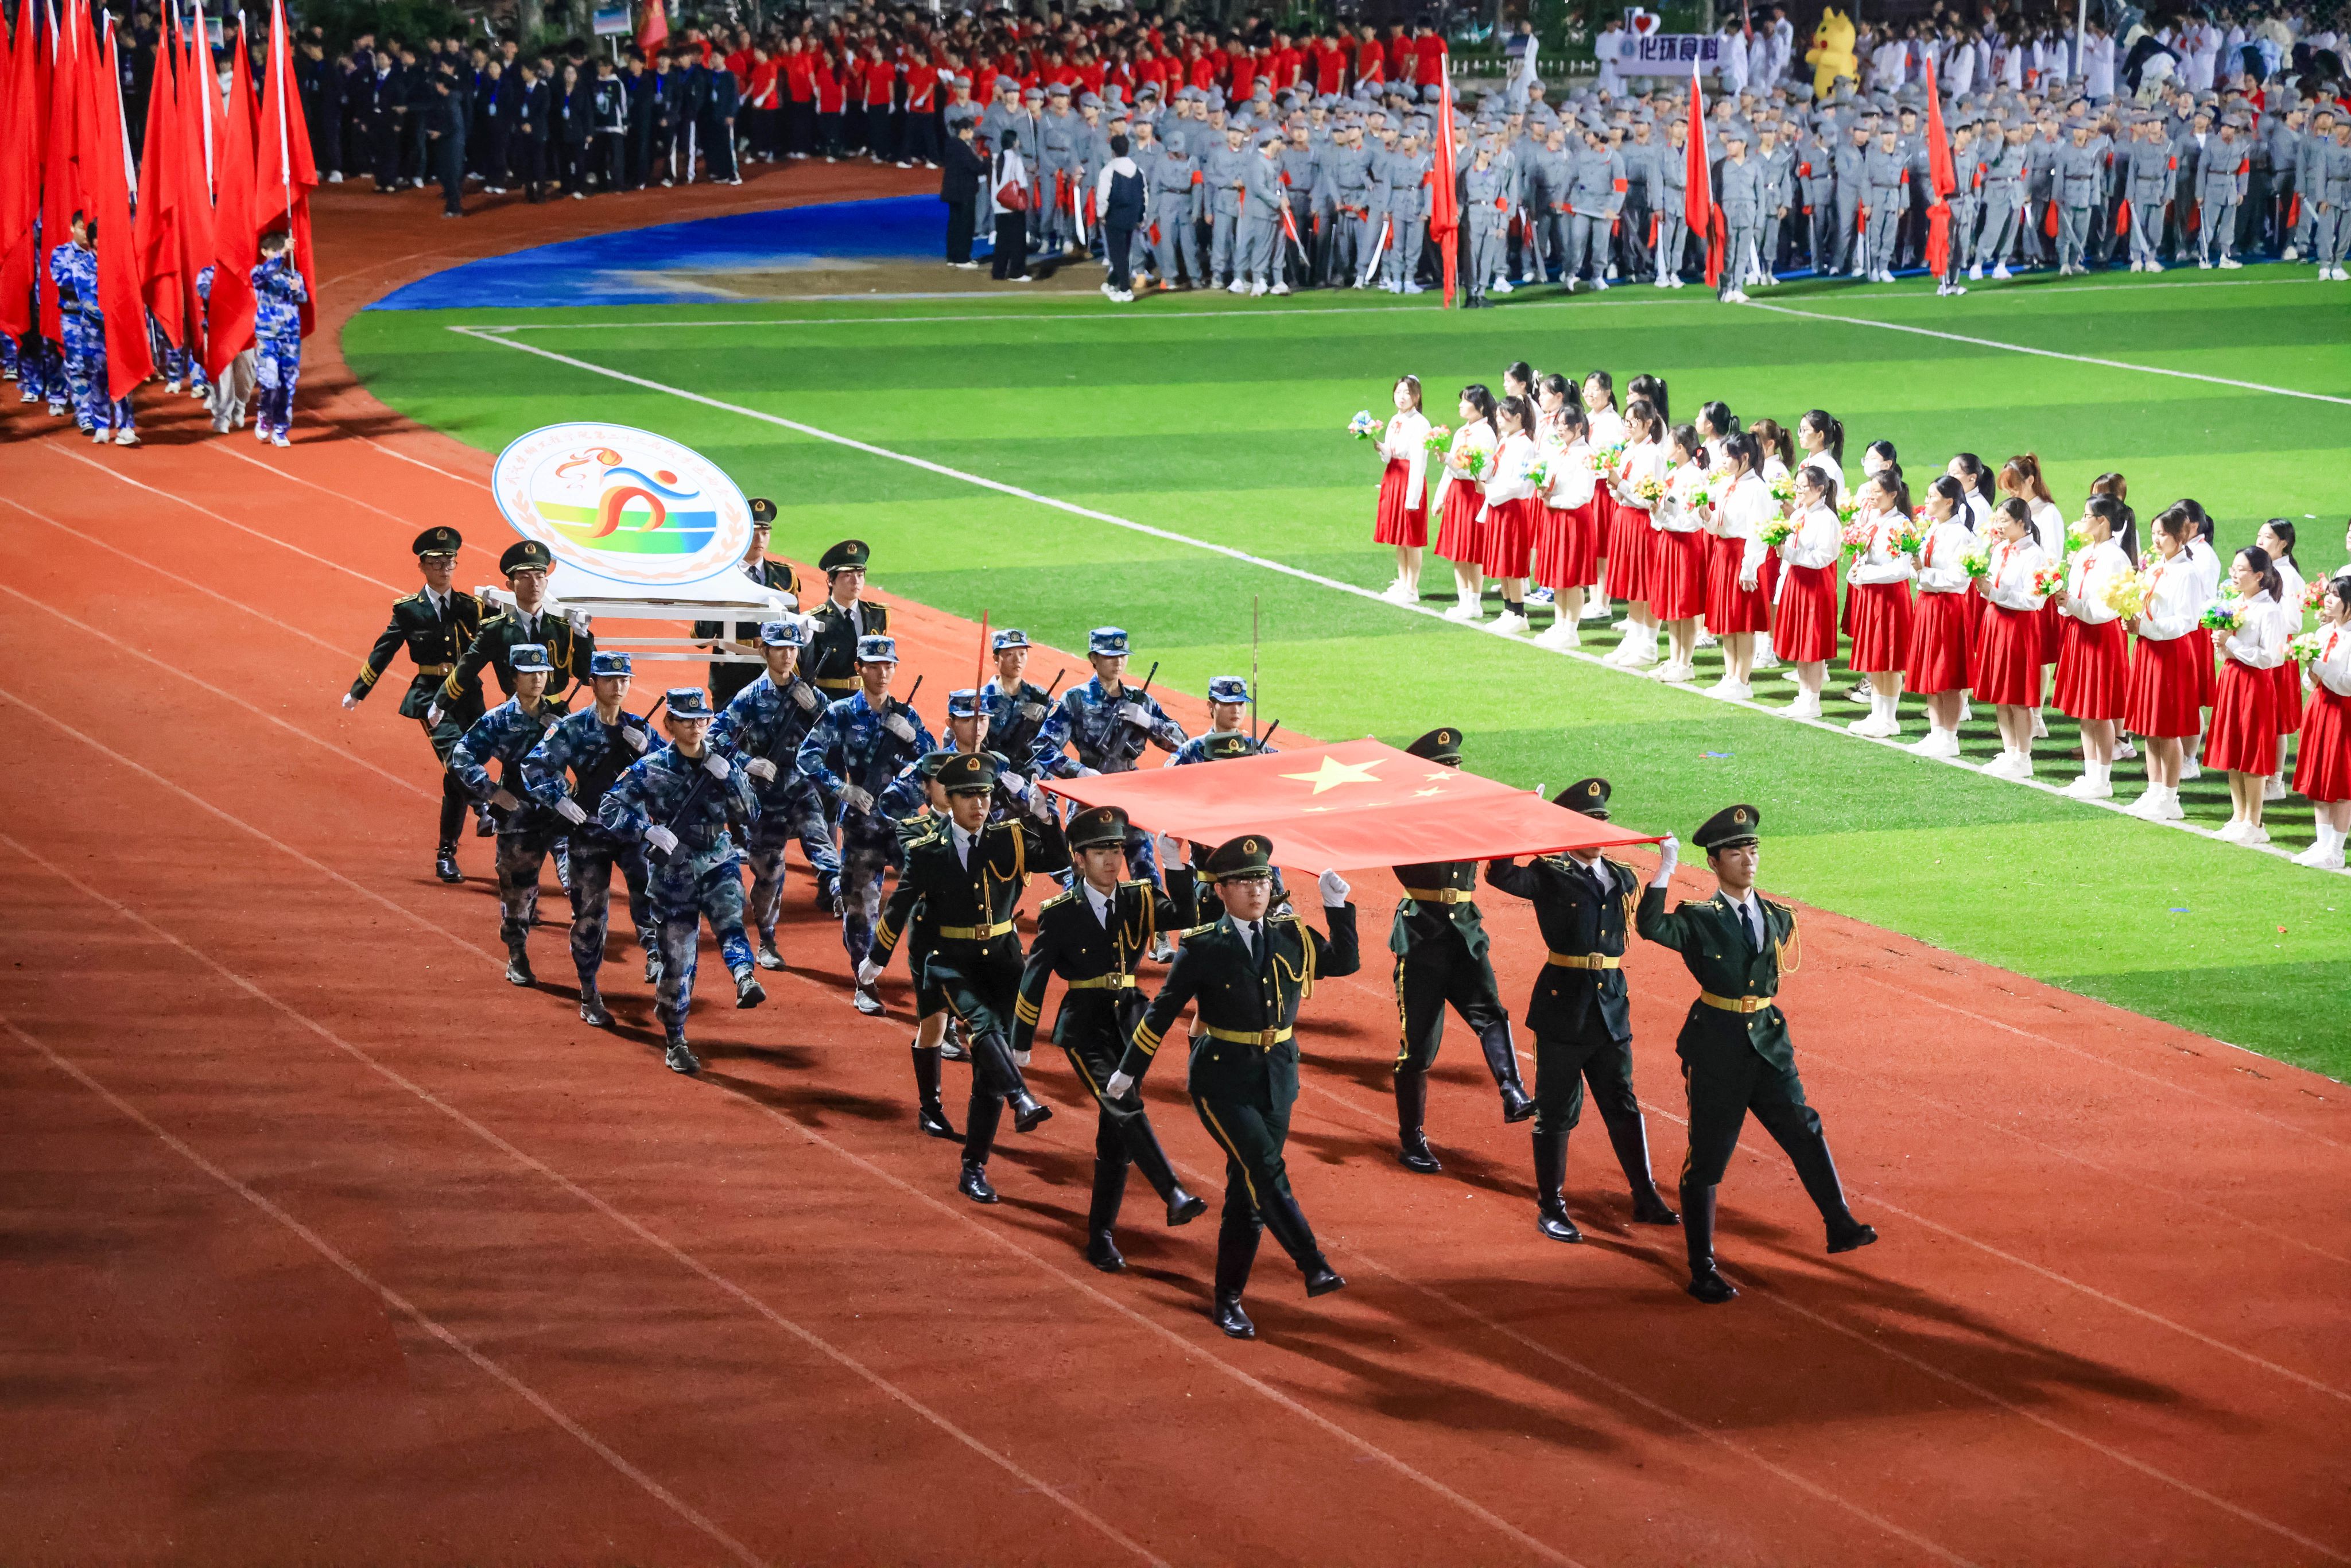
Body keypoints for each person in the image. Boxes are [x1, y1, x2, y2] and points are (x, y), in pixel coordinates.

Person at [1104, 836, 1359, 1340]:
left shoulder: (1291, 934)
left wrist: (1338, 908)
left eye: (1262, 879)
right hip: (1221, 1080)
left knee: (1248, 1193)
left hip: (1278, 1078)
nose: (1256, 890)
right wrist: (1129, 1071)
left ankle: (1228, 1299)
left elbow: (1343, 963)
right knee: (1264, 1168)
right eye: (1243, 882)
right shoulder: (1204, 945)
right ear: (1220, 890)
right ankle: (1312, 1263)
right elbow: (1164, 1010)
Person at [1636, 805, 1876, 1303]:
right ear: (1714, 862)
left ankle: (1840, 1223)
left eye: (1753, 850)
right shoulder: (1699, 919)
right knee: (1708, 1160)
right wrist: (1665, 869)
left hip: (1768, 1045)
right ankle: (1702, 1268)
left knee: (1804, 1131)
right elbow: (1651, 927)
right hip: (1717, 1050)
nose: (1749, 860)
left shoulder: (1779, 917)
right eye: (1736, 853)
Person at [864, 752, 1070, 1204]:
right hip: (948, 958)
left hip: (1003, 961)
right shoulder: (927, 848)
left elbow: (1058, 858)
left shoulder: (1010, 838)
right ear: (950, 799)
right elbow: (901, 903)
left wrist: (1046, 819)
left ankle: (973, 1167)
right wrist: (876, 958)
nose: (979, 804)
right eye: (968, 796)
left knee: (987, 1075)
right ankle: (1020, 1099)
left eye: (984, 795)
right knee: (983, 1025)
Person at [1011, 804, 1208, 1268]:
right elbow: (1035, 978)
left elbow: (1186, 912)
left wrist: (1174, 864)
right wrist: (1021, 1042)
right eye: (1100, 852)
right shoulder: (1060, 912)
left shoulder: (1139, 899)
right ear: (1078, 858)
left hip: (1131, 1023)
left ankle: (1100, 1234)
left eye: (1116, 850)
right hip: (1084, 1025)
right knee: (1123, 1104)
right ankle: (1172, 1191)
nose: (1111, 860)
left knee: (1116, 1130)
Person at [1483, 778, 1677, 1241]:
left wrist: (1665, 871)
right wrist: (1520, 822)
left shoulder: (1623, 876)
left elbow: (1646, 923)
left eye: (1603, 820)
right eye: (1590, 822)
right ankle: (1551, 1206)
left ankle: (1645, 1194)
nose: (1600, 829)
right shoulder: (1549, 872)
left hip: (1610, 1006)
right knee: (1555, 1111)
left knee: (1622, 1103)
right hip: (1564, 1007)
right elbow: (1501, 875)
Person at [1386, 727, 1534, 1175]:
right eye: (1443, 767)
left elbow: (1498, 856)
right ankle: (1412, 1139)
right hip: (1422, 937)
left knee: (1491, 1012)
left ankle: (1512, 1090)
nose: (1453, 773)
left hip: (1465, 932)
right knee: (1418, 1047)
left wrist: (1517, 822)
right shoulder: (1403, 818)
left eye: (1455, 766)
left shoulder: (1473, 813)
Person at [598, 687, 766, 1074]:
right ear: (670, 723)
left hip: (719, 858)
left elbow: (751, 813)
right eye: (687, 720)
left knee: (731, 922)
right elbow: (609, 806)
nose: (696, 727)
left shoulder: (724, 762)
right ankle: (676, 1038)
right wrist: (645, 830)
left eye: (702, 720)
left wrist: (733, 779)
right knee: (678, 960)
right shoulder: (651, 767)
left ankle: (744, 977)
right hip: (674, 871)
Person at [797, 634, 937, 1014]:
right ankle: (864, 983)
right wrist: (842, 789)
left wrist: (915, 739)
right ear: (859, 668)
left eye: (889, 665)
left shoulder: (907, 715)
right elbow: (807, 757)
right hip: (862, 826)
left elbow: (934, 763)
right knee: (860, 909)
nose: (883, 673)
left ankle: (935, 982)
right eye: (874, 666)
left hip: (905, 826)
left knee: (933, 900)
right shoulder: (842, 713)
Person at [522, 650, 662, 1024]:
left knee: (652, 899)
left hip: (633, 829)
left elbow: (676, 768)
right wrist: (559, 799)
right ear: (593, 683)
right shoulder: (572, 728)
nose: (618, 686)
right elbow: (534, 766)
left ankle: (656, 958)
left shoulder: (639, 728)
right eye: (610, 680)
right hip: (589, 831)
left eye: (624, 680)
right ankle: (589, 993)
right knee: (589, 915)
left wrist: (649, 750)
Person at [343, 526, 487, 884]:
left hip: (468, 695)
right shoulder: (409, 610)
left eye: (450, 561)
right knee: (455, 756)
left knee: (456, 777)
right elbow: (385, 649)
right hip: (430, 694)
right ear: (422, 566)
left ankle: (446, 855)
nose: (444, 568)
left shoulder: (472, 607)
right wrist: (360, 689)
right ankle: (485, 806)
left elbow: (494, 648)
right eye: (436, 562)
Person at [711, 618, 843, 969]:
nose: (787, 655)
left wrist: (815, 709)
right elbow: (715, 737)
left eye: (793, 649)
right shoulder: (750, 697)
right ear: (765, 652)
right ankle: (767, 940)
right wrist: (748, 762)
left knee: (819, 836)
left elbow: (838, 733)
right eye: (780, 648)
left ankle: (836, 887)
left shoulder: (810, 694)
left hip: (799, 785)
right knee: (769, 874)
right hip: (764, 796)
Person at [449, 643, 568, 987]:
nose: (537, 679)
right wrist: (490, 791)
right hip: (518, 817)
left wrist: (562, 732)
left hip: (559, 813)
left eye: (542, 672)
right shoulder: (499, 719)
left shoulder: (559, 717)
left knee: (580, 883)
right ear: (513, 677)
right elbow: (462, 754)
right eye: (529, 673)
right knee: (518, 892)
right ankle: (517, 954)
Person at [1046, 628, 1188, 890]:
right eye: (1110, 656)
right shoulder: (1075, 699)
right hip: (1089, 797)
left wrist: (1149, 722)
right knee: (1081, 875)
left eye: (1122, 656)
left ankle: (1152, 917)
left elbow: (1182, 743)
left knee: (1146, 876)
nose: (1118, 662)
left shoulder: (1140, 700)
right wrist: (1078, 771)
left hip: (1129, 794)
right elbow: (1044, 746)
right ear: (1093, 658)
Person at [439, 541, 595, 716]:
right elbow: (467, 668)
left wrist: (582, 637)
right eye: (525, 577)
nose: (534, 583)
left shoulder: (564, 628)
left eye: (539, 576)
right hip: (513, 715)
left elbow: (588, 676)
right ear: (510, 585)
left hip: (555, 714)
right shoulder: (497, 629)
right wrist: (440, 703)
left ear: (546, 582)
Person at [2122, 509, 2205, 821]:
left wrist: (2144, 627)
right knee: (2150, 727)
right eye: (2154, 533)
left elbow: (2186, 622)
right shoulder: (2157, 567)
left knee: (2167, 729)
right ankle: (2155, 790)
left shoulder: (2188, 573)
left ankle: (2170, 798)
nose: (2157, 540)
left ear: (2180, 536)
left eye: (2163, 534)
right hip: (2148, 649)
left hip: (2171, 653)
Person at [2206, 546, 2291, 843]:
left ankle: (2254, 823)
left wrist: (2231, 644)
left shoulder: (2270, 611)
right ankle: (2238, 816)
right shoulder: (2234, 604)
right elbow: (2228, 651)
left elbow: (2271, 658)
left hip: (2255, 685)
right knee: (2233, 750)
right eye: (2234, 568)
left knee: (2252, 752)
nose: (2235, 574)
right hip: (2232, 679)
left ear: (2258, 575)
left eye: (2242, 570)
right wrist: (2221, 645)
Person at [2054, 496, 2133, 799]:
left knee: (2100, 711)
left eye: (2087, 515)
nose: (2082, 520)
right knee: (2085, 710)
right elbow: (2077, 594)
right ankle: (2091, 776)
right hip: (2081, 631)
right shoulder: (2086, 552)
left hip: (2101, 635)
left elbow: (2106, 609)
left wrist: (2072, 604)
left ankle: (2103, 780)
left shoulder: (2115, 558)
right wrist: (2065, 601)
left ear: (2103, 521)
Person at [692, 497, 798, 708]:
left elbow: (794, 629)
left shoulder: (785, 576)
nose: (760, 539)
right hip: (731, 675)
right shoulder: (720, 575)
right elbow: (701, 638)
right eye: (753, 532)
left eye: (765, 533)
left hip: (772, 672)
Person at [1977, 498, 2054, 779]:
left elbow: (2034, 601)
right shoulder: (2000, 549)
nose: (1999, 526)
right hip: (1997, 622)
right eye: (1997, 520)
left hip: (2019, 627)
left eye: (2005, 521)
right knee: (2000, 693)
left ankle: (2023, 757)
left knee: (2018, 696)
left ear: (2022, 523)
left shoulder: (2034, 556)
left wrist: (1994, 593)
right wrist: (1985, 587)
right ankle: (2010, 752)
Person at [1903, 475, 1977, 757]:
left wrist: (1924, 573)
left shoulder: (1962, 536)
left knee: (1948, 676)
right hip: (1927, 605)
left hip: (1948, 608)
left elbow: (1959, 579)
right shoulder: (1932, 529)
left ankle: (1950, 737)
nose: (1926, 501)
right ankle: (1936, 734)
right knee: (1930, 673)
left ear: (1949, 502)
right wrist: (1917, 569)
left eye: (1932, 496)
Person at [1843, 468, 1917, 740]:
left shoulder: (1902, 525)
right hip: (1872, 596)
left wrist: (1867, 573)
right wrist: (1857, 572)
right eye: (1870, 491)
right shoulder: (1873, 521)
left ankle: (1889, 718)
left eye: (1878, 492)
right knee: (1875, 659)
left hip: (1891, 598)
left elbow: (1901, 569)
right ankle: (1877, 715)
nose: (1872, 496)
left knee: (1890, 661)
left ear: (1893, 494)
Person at [50, 211, 135, 446]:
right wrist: (113, 318)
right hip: (93, 330)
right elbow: (88, 300)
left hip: (118, 329)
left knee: (124, 376)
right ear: (95, 240)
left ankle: (126, 425)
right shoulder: (82, 265)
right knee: (97, 377)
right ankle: (100, 423)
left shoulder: (119, 264)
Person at [1776, 465, 1844, 721]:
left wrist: (1790, 554)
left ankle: (1813, 700)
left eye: (1804, 487)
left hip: (1816, 586)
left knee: (1812, 645)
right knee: (1800, 641)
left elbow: (1824, 557)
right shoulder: (1798, 515)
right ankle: (1803, 696)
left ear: (1820, 489)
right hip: (1798, 581)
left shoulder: (1827, 519)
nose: (1799, 491)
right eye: (1797, 486)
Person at [2291, 580, 2351, 869]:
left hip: (2344, 711)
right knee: (2319, 777)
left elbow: (2348, 684)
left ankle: (2336, 850)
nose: (2328, 600)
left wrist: (2320, 669)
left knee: (2341, 781)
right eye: (2328, 594)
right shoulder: (2324, 632)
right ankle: (2322, 843)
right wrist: (2311, 672)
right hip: (2320, 706)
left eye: (2336, 596)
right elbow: (2310, 680)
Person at [1432, 385, 1499, 622]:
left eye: (1465, 401)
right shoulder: (1462, 431)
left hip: (1473, 495)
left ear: (1479, 406)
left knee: (1473, 552)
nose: (1460, 405)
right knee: (1458, 552)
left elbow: (1477, 471)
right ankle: (1463, 602)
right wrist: (1440, 497)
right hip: (1457, 494)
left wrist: (1448, 459)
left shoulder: (1486, 434)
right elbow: (1450, 471)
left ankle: (1474, 603)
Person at [804, 538, 890, 702]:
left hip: (867, 700)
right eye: (847, 575)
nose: (856, 581)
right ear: (831, 580)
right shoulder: (814, 620)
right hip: (830, 701)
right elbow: (806, 671)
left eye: (860, 575)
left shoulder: (878, 615)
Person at [1372, 374, 1433, 606]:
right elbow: (1391, 454)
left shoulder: (1420, 423)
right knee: (1399, 537)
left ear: (1416, 397)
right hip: (1394, 477)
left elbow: (1419, 461)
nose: (1402, 397)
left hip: (1409, 480)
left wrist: (1413, 498)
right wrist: (1381, 447)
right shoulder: (1395, 419)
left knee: (1411, 538)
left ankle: (1412, 587)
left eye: (1407, 393)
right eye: (1398, 392)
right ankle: (1402, 581)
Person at [249, 230, 308, 448]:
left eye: (280, 250)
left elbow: (303, 298)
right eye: (274, 251)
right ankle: (265, 414)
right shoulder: (259, 272)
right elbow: (263, 276)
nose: (278, 255)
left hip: (290, 338)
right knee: (270, 380)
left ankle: (281, 429)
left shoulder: (294, 275)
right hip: (268, 337)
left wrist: (297, 289)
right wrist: (281, 254)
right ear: (265, 252)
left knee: (287, 384)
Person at [1097, 131, 1147, 301]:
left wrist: (1101, 214)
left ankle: (1125, 289)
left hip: (1115, 215)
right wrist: (1141, 216)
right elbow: (1143, 195)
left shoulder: (1109, 170)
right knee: (1123, 252)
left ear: (1113, 151)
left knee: (1117, 255)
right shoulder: (1138, 171)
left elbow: (1103, 196)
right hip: (1131, 217)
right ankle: (1112, 282)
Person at [990, 127, 1034, 281]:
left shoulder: (997, 158)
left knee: (1002, 241)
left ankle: (998, 272)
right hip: (1013, 206)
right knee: (1018, 241)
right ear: (1014, 142)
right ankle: (1016, 272)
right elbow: (1022, 183)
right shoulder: (1016, 158)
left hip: (998, 206)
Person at [941, 117, 985, 268]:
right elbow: (975, 167)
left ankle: (952, 257)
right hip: (964, 192)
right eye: (971, 130)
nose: (973, 134)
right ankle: (962, 258)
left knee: (955, 224)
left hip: (953, 192)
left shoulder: (952, 145)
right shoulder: (962, 147)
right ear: (965, 131)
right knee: (965, 225)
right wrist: (986, 163)